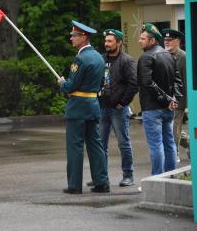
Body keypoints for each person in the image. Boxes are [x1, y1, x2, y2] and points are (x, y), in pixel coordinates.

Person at [57, 20, 110, 194]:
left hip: (78, 108)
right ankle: (101, 182)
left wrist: (62, 83)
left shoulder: (80, 59)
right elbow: (101, 83)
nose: (71, 38)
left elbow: (71, 87)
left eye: (74, 36)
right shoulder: (98, 57)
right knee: (95, 145)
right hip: (93, 106)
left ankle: (74, 185)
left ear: (83, 37)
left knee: (75, 147)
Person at [95, 29, 138, 187]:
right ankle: (100, 177)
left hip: (118, 109)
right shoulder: (101, 59)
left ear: (119, 43)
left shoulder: (127, 61)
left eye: (110, 41)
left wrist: (123, 102)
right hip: (102, 108)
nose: (106, 44)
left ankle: (128, 175)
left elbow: (134, 84)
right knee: (100, 144)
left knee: (123, 143)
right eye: (106, 41)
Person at [137, 23, 182, 175]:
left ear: (152, 41)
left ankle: (157, 179)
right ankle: (171, 176)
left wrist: (168, 100)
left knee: (157, 145)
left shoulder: (146, 57)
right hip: (167, 108)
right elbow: (178, 81)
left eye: (143, 38)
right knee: (169, 143)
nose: (139, 41)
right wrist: (173, 99)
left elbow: (147, 83)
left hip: (153, 109)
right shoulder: (169, 55)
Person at [162, 28, 188, 161]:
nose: (166, 42)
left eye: (170, 40)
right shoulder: (162, 55)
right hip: (164, 99)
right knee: (169, 126)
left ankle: (174, 152)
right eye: (165, 40)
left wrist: (187, 103)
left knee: (174, 126)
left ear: (177, 41)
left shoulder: (183, 56)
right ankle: (189, 144)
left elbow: (186, 81)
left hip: (178, 99)